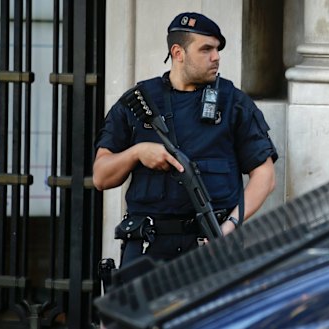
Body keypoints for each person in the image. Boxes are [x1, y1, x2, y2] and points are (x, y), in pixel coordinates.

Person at [93, 12, 278, 267]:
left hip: (212, 246)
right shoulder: (138, 102)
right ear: (178, 53)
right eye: (206, 49)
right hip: (149, 249)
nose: (216, 57)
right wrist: (137, 152)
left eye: (217, 49)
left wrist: (230, 226)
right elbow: (101, 177)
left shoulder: (233, 102)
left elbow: (265, 176)